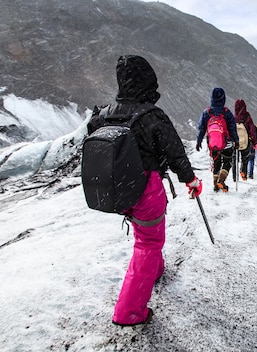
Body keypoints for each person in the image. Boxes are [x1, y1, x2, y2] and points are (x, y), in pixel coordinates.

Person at [88, 55, 202, 326]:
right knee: (148, 243)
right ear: (147, 81)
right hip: (145, 188)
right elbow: (175, 154)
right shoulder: (151, 116)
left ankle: (155, 269)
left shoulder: (103, 114)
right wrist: (191, 181)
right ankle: (129, 313)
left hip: (116, 190)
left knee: (146, 237)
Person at [196, 87, 239, 192]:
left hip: (213, 144)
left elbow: (201, 128)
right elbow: (233, 128)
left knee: (216, 163)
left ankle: (215, 185)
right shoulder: (226, 112)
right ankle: (221, 180)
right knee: (227, 162)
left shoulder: (207, 112)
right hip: (227, 143)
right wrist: (236, 140)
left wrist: (199, 141)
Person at [233, 99, 257, 180]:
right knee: (245, 158)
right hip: (245, 141)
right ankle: (243, 172)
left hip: (235, 141)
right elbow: (252, 130)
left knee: (234, 159)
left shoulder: (233, 117)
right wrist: (254, 142)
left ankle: (234, 177)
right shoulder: (247, 116)